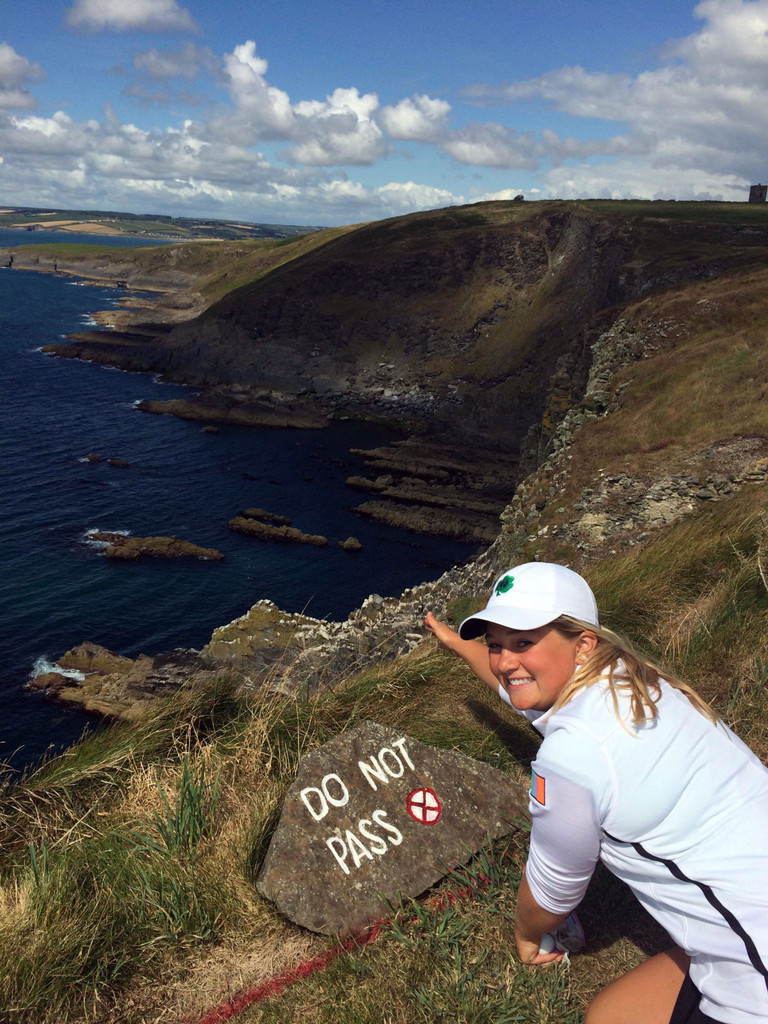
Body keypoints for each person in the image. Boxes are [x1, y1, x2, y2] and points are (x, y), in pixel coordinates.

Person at [424, 562, 768, 1024]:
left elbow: (552, 889)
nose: (504, 661)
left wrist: (526, 936)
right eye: (495, 645)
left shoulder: (573, 759)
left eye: (523, 642)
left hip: (758, 972)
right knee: (609, 1013)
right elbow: (523, 690)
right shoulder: (636, 680)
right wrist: (458, 644)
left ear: (583, 644)